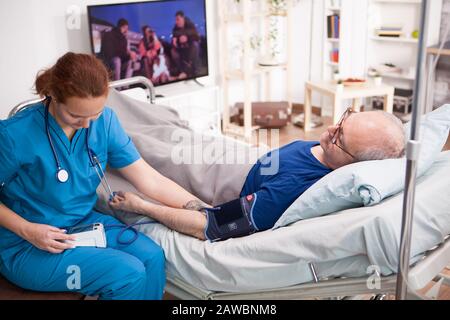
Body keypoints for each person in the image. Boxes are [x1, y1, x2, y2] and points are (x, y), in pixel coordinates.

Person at [0, 53, 206, 299]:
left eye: (94, 115)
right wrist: (28, 230)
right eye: (76, 116)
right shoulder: (14, 135)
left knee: (152, 257)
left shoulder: (105, 122)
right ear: (54, 96)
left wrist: (200, 209)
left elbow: (149, 179)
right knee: (127, 274)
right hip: (26, 243)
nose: (87, 125)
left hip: (83, 224)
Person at [110, 109, 406, 241]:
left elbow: (209, 224)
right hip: (234, 154)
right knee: (159, 120)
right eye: (345, 119)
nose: (331, 130)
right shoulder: (330, 151)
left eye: (340, 137)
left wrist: (141, 206)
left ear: (352, 164)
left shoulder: (291, 191)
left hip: (211, 175)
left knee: (137, 141)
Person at [170, 11, 201, 78]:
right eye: (176, 20)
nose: (176, 22)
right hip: (181, 49)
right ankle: (182, 70)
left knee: (195, 45)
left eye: (178, 19)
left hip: (190, 47)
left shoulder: (190, 25)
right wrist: (175, 41)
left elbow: (197, 37)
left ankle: (192, 69)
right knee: (173, 51)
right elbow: (173, 40)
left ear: (183, 18)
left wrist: (187, 38)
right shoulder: (175, 28)